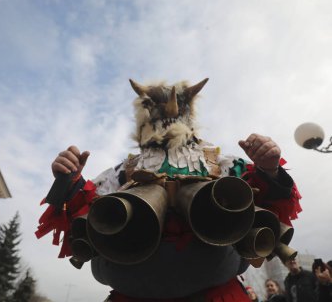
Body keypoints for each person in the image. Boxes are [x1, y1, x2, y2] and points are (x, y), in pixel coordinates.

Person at [39, 78, 302, 302]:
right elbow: (84, 218)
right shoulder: (123, 171)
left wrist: (269, 169)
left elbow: (265, 204)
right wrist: (70, 182)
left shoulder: (219, 162)